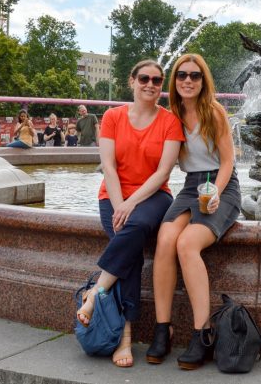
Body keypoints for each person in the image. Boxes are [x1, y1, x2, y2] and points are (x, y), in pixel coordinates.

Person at [76, 60, 183, 368]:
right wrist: (119, 200)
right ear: (132, 81)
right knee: (132, 251)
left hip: (154, 197)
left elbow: (164, 171)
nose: (151, 85)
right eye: (145, 79)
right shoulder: (112, 117)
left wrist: (129, 203)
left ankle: (96, 292)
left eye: (157, 80)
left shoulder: (169, 121)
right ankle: (125, 335)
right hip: (112, 195)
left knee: (133, 226)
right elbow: (108, 165)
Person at [148, 53, 241, 369]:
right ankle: (163, 329)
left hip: (221, 184)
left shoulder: (213, 113)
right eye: (182, 75)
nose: (188, 80)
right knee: (164, 241)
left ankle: (203, 333)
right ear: (174, 81)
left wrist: (215, 189)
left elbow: (228, 161)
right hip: (190, 186)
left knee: (187, 244)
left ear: (204, 81)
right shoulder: (171, 115)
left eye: (195, 75)